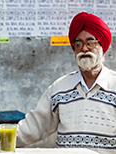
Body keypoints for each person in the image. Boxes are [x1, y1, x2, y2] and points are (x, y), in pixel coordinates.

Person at [16, 12, 115, 154]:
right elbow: (34, 126)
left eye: (90, 42)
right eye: (78, 44)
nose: (84, 49)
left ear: (102, 46)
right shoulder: (59, 88)